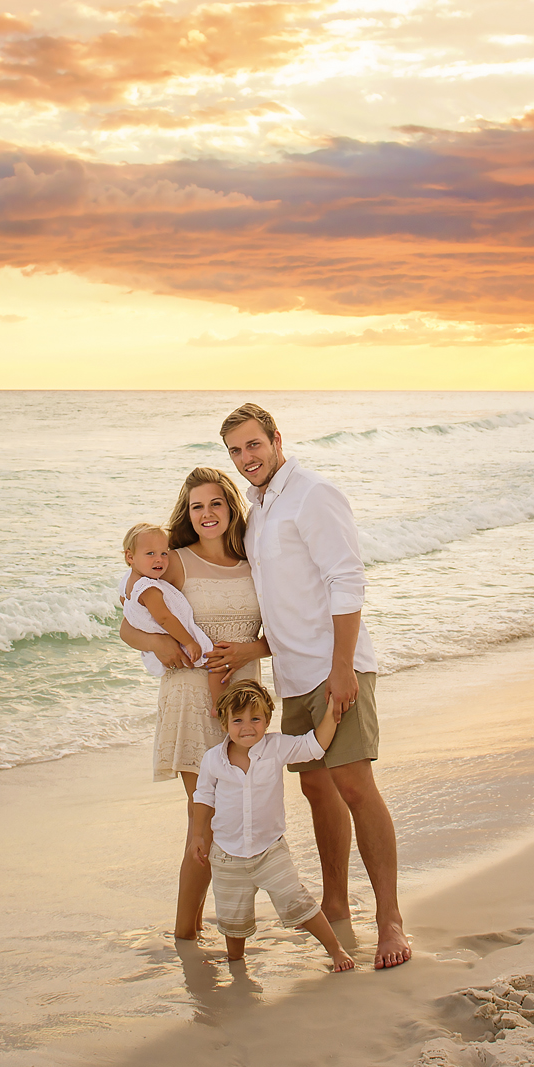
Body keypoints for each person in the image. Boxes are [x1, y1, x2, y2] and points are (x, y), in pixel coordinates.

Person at [221, 401, 411, 969]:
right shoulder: (256, 512)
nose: (246, 458)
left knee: (355, 786)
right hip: (294, 675)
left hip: (335, 667)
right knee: (317, 791)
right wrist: (255, 650)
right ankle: (335, 902)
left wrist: (344, 666)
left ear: (277, 439)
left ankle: (390, 918)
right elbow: (282, 601)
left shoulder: (312, 493)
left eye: (253, 445)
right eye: (235, 451)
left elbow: (345, 579)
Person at [119, 468, 271, 940]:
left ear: (232, 507)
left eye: (216, 504)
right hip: (191, 695)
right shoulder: (173, 560)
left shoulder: (257, 559)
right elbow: (128, 615)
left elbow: (285, 628)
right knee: (204, 816)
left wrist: (252, 649)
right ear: (188, 513)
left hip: (245, 700)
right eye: (197, 506)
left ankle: (231, 928)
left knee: (243, 814)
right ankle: (188, 931)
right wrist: (155, 643)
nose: (207, 514)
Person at [190, 681, 355, 972]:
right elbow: (203, 798)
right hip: (227, 854)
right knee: (232, 918)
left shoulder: (276, 747)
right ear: (224, 721)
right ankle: (235, 961)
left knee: (297, 900)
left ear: (267, 719)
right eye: (237, 720)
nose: (247, 727)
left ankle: (336, 950)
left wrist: (332, 710)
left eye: (256, 719)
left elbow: (314, 746)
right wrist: (197, 837)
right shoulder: (213, 760)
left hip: (270, 850)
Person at [119, 522, 209, 672]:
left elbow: (125, 603)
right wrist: (189, 642)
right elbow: (164, 618)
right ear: (130, 556)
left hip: (159, 648)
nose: (159, 559)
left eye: (164, 553)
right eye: (150, 553)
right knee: (214, 665)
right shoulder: (148, 589)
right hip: (176, 641)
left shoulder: (128, 581)